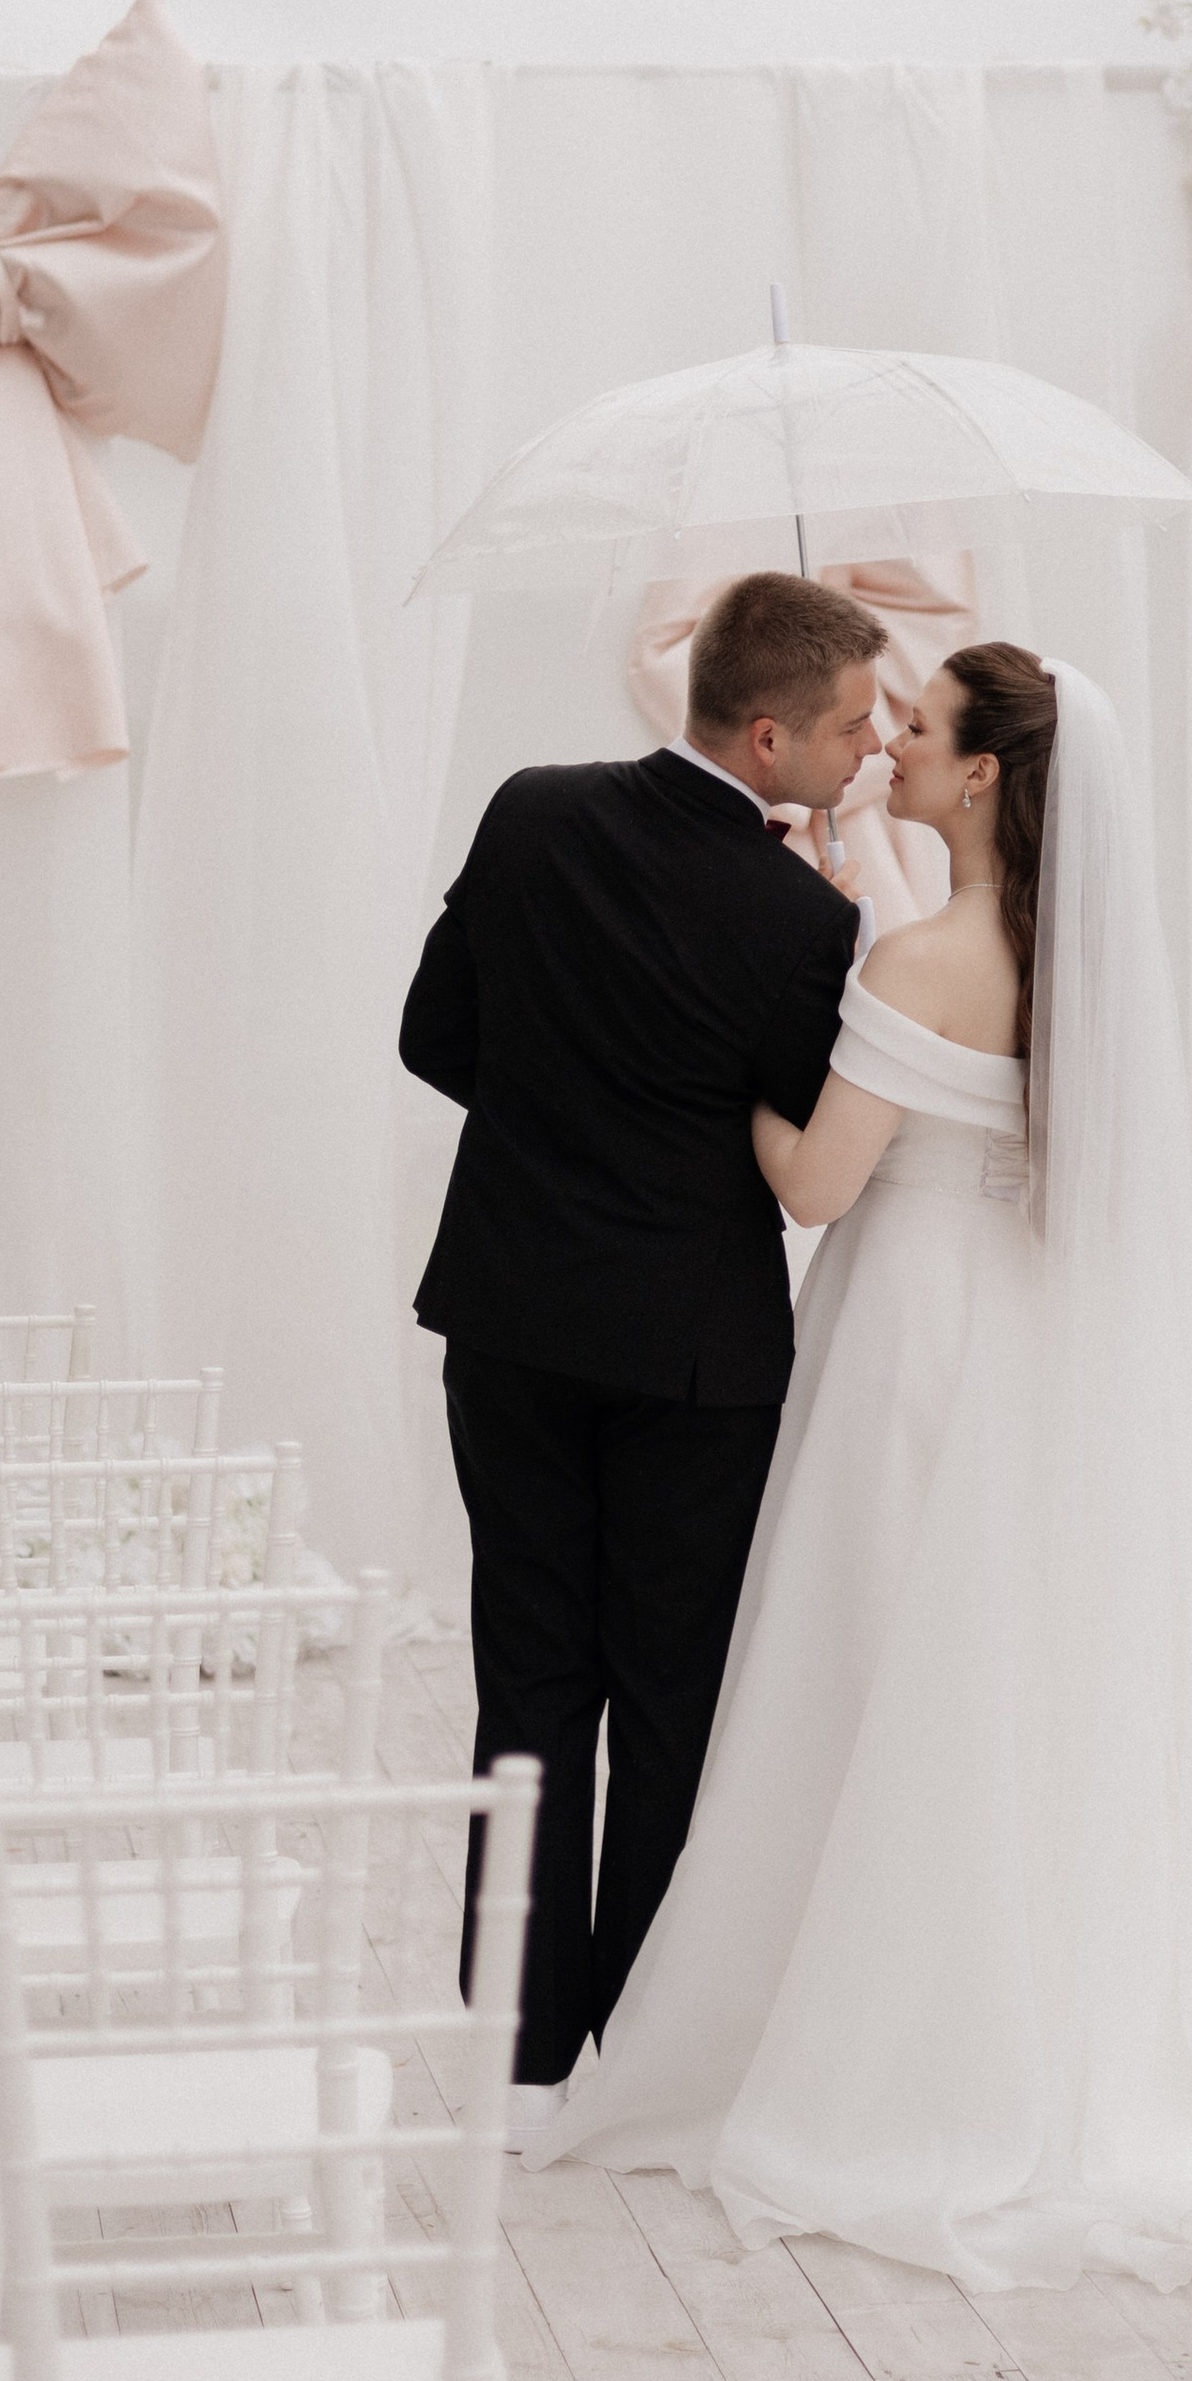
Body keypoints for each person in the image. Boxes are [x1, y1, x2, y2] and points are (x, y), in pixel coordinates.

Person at [539, 644, 1192, 2283]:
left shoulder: (920, 961)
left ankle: (882, 2038)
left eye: (920, 727)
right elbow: (958, 1052)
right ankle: (1026, 2011)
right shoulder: (1063, 952)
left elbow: (817, 1183)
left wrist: (705, 1075)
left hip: (912, 1341)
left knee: (875, 1669)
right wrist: (843, 886)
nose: (889, 739)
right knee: (1003, 1678)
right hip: (1018, 1334)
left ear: (981, 776)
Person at [399, 569, 882, 2127]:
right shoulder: (807, 919)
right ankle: (638, 2043)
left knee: (530, 1678)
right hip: (693, 1355)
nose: (872, 748)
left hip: (513, 1317)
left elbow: (432, 1035)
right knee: (674, 1701)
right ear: (768, 736)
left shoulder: (529, 810)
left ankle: (519, 2045)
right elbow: (796, 1132)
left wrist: (562, 1119)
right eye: (852, 725)